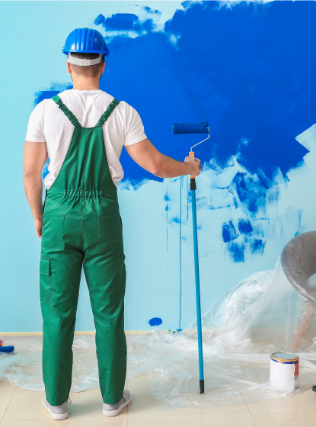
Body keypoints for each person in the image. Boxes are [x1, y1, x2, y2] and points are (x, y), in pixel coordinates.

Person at [23, 28, 201, 420]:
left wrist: (39, 216)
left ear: (68, 65)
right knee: (109, 313)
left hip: (58, 216)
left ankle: (56, 403)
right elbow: (154, 165)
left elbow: (31, 175)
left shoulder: (44, 111)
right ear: (103, 64)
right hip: (102, 217)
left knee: (56, 313)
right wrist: (189, 168)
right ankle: (111, 401)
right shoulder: (122, 111)